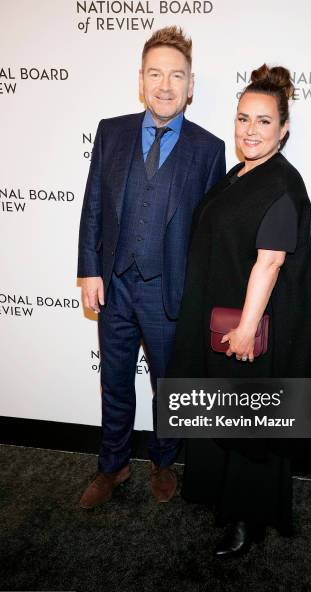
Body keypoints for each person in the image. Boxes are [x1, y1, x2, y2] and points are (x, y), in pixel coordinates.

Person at [166, 65, 311, 557]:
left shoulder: (282, 185)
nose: (250, 130)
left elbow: (269, 262)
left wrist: (247, 329)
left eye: (264, 122)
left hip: (249, 328)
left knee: (250, 422)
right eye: (243, 119)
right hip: (217, 319)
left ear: (284, 128)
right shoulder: (240, 173)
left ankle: (248, 522)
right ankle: (218, 497)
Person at [77, 26, 226, 509]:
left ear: (191, 85)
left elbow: (209, 235)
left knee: (170, 388)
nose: (165, 85)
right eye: (156, 74)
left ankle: (165, 463)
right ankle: (113, 465)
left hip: (170, 293)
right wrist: (90, 271)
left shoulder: (209, 149)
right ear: (141, 80)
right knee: (115, 382)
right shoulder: (111, 132)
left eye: (176, 76)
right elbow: (93, 207)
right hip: (115, 285)